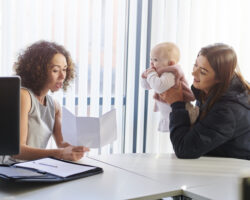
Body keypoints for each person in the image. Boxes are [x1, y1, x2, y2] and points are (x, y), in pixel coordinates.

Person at [1, 40, 89, 164]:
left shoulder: (55, 105)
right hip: (9, 169)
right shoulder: (23, 96)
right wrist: (60, 154)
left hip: (32, 168)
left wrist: (79, 145)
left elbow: (62, 143)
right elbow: (18, 150)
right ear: (38, 72)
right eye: (55, 70)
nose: (62, 76)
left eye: (64, 69)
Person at [160, 43, 250, 159]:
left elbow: (184, 149)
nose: (193, 73)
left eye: (202, 71)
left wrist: (177, 104)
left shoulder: (227, 111)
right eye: (195, 65)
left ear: (220, 78)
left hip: (234, 172)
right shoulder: (209, 90)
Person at [141, 42, 198, 132]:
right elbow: (147, 86)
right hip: (170, 113)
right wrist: (145, 76)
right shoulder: (159, 72)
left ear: (170, 63)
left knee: (180, 131)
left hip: (180, 112)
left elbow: (158, 87)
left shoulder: (171, 73)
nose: (151, 63)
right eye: (151, 59)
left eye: (155, 60)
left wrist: (150, 74)